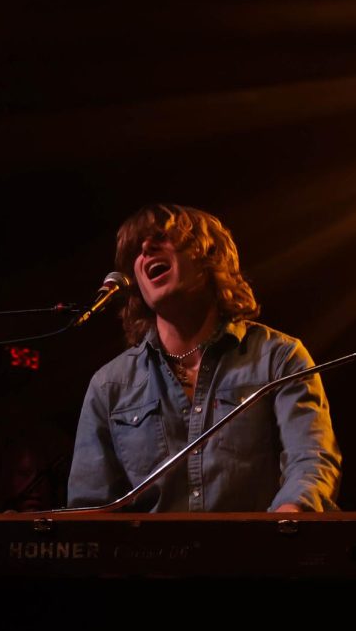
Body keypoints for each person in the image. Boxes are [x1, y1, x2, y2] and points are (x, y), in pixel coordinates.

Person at [67, 203, 342, 512]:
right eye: (136, 250)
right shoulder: (109, 385)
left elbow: (310, 458)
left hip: (259, 556)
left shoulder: (279, 357)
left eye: (161, 236)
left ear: (210, 256)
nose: (145, 248)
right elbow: (90, 508)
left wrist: (288, 518)